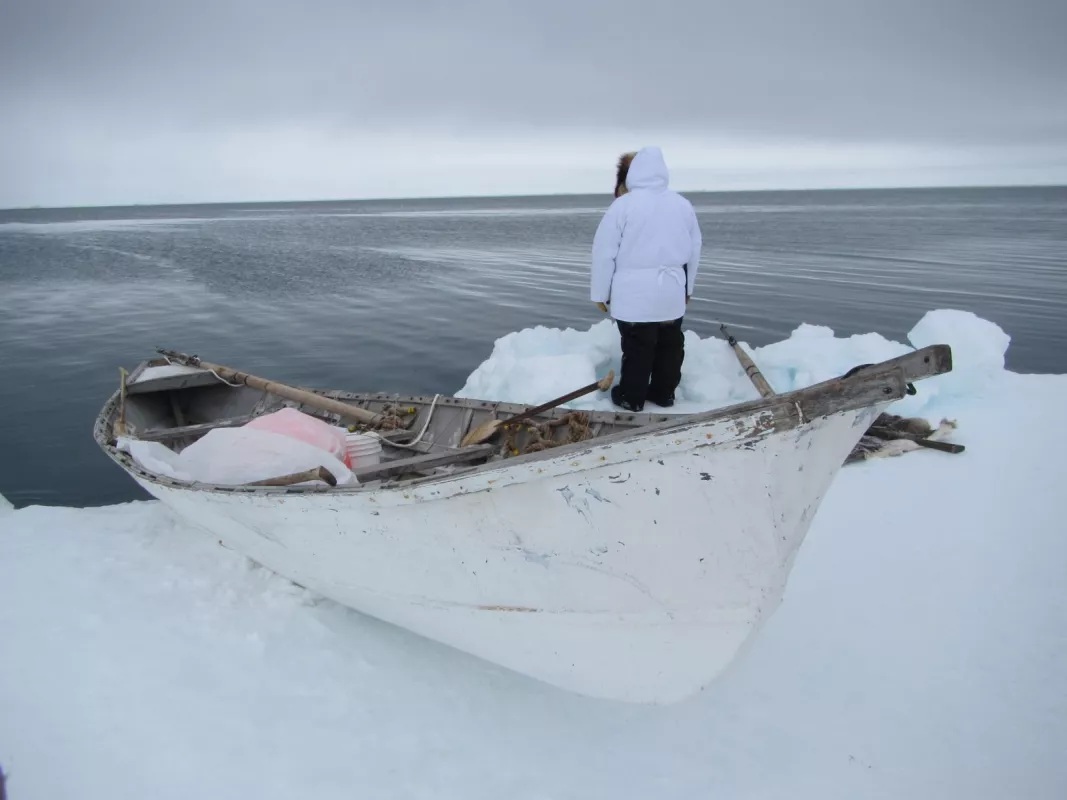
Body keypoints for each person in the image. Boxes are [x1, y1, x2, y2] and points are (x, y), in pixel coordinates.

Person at [590, 146, 703, 411]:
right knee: (670, 343)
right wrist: (688, 288)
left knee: (638, 345)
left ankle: (632, 396)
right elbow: (694, 250)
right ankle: (664, 394)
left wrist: (600, 293)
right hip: (672, 289)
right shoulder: (682, 205)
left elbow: (604, 252)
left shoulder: (623, 206)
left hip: (634, 292)